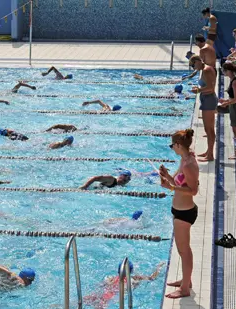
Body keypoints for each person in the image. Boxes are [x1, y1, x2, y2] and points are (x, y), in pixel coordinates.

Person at [159, 129, 199, 298]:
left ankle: (184, 289)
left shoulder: (190, 164)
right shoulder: (184, 159)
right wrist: (167, 176)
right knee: (182, 250)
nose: (172, 149)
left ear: (178, 145)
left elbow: (193, 190)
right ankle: (186, 280)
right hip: (179, 210)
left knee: (184, 250)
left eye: (171, 145)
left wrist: (172, 188)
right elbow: (176, 182)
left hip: (185, 213)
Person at [85, 261, 165, 309]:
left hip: (105, 292)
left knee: (89, 299)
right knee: (102, 303)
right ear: (131, 271)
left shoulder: (112, 278)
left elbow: (100, 285)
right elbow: (152, 278)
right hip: (115, 295)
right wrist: (158, 268)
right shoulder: (134, 279)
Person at [190, 55, 217, 162]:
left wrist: (198, 91)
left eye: (193, 65)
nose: (193, 68)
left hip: (209, 101)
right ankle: (208, 151)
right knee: (208, 129)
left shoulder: (206, 70)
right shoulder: (205, 69)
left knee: (209, 129)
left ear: (197, 61)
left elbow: (211, 88)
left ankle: (210, 155)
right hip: (207, 100)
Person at [218, 62, 236, 159]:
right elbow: (234, 97)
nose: (223, 72)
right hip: (233, 106)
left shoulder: (235, 82)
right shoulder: (233, 79)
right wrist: (225, 100)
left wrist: (226, 103)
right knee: (235, 130)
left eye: (223, 70)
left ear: (228, 71)